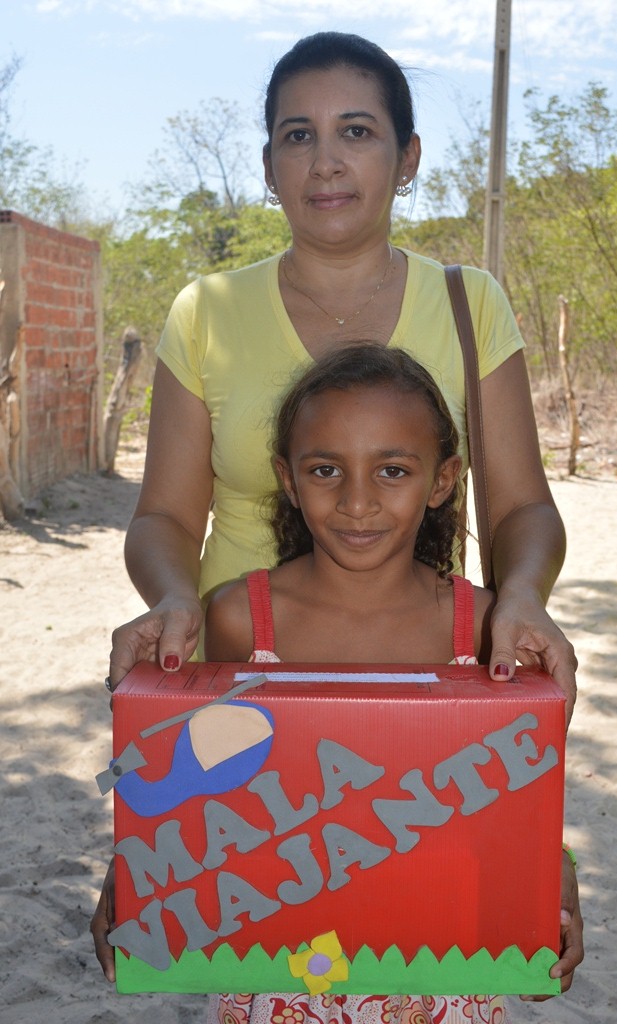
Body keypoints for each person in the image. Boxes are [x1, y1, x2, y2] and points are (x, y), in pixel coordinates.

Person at [93, 29, 581, 994]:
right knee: (269, 956)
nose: (324, 160)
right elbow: (162, 520)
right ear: (267, 161)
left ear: (405, 159)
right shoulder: (206, 312)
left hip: (428, 695)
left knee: (426, 935)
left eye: (356, 131)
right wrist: (171, 603)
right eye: (295, 134)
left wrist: (521, 594)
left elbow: (525, 506)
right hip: (244, 688)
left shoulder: (468, 302)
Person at [208, 344, 582, 1023]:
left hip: (442, 982)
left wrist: (554, 876)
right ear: (287, 480)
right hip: (280, 983)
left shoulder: (484, 628)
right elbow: (208, 789)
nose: (357, 502)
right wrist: (139, 870)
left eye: (391, 470)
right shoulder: (240, 621)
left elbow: (517, 794)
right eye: (325, 469)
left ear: (441, 481)